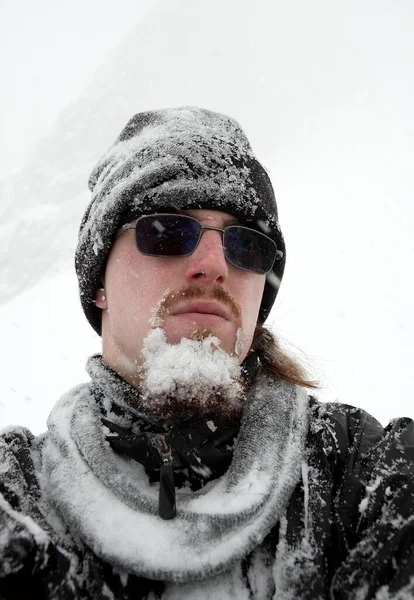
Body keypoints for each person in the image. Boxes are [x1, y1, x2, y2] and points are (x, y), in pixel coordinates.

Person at [0, 107, 413, 600]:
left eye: (248, 246)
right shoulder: (19, 494)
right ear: (98, 285)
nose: (214, 265)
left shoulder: (355, 470)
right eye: (168, 230)